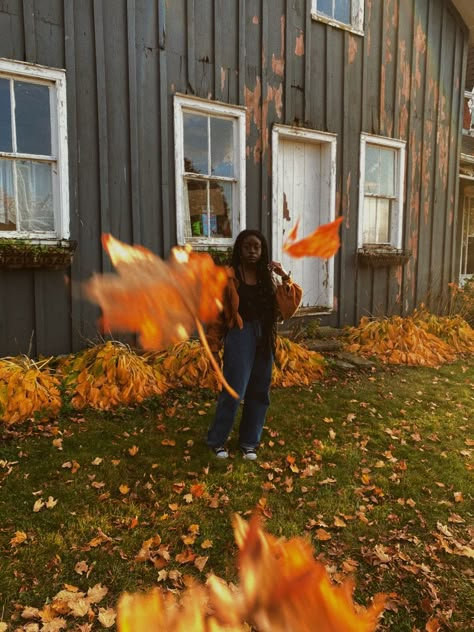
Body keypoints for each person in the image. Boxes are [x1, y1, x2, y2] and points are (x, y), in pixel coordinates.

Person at [206, 229, 302, 460]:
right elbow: (216, 314)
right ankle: (217, 441)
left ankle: (249, 442)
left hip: (263, 336)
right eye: (247, 246)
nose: (252, 251)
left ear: (263, 251)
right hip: (240, 334)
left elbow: (289, 306)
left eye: (256, 247)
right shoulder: (229, 277)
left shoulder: (266, 278)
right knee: (234, 390)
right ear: (239, 249)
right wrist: (213, 345)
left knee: (260, 391)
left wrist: (283, 275)